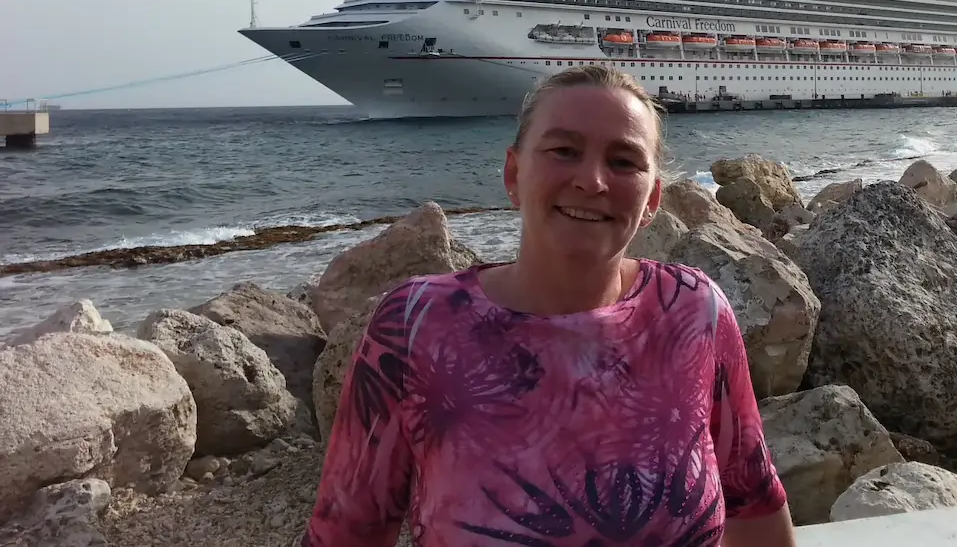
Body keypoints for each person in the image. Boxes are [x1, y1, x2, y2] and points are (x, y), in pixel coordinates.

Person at [303, 65, 796, 546]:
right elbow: (348, 531)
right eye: (564, 150)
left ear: (652, 201)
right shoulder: (415, 325)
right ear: (513, 174)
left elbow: (753, 500)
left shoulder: (694, 311)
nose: (593, 181)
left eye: (624, 161)